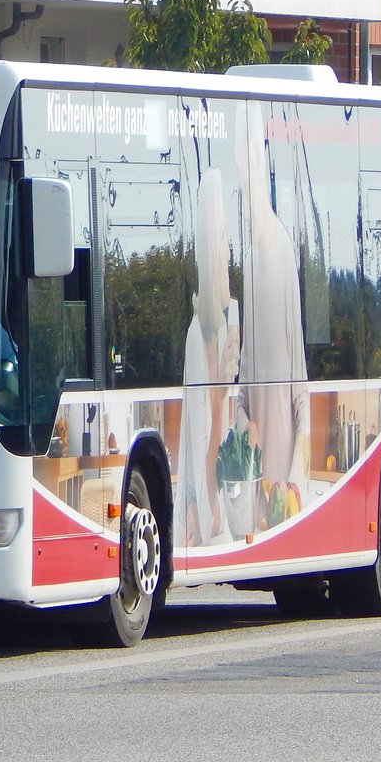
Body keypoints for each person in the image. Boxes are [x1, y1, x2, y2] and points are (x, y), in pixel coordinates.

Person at [233, 102, 310, 512]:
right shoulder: (250, 257)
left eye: (251, 167)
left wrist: (293, 482)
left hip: (287, 487)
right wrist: (247, 427)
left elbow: (302, 393)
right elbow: (242, 390)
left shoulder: (281, 252)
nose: (246, 183)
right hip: (258, 483)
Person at [177, 168, 239, 547]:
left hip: (224, 503)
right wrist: (206, 502)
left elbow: (227, 422)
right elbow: (200, 436)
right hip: (213, 510)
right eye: (221, 240)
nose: (229, 251)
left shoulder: (227, 324)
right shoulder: (197, 338)